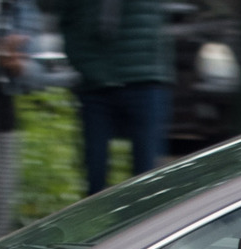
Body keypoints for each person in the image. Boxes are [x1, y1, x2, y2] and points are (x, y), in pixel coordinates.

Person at [47, 0, 171, 195]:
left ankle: (149, 223)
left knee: (148, 177)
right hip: (96, 83)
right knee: (94, 173)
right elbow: (67, 18)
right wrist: (83, 63)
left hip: (143, 79)